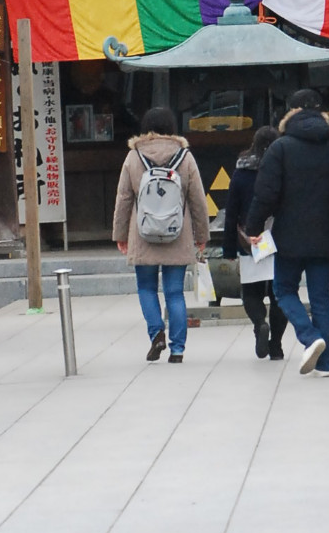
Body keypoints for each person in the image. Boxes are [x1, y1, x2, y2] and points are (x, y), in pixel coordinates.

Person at [247, 87, 329, 375]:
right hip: (325, 233)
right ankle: (324, 365)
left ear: (291, 114)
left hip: (289, 235)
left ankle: (311, 338)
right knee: (321, 297)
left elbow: (265, 193)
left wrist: (253, 227)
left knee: (284, 290)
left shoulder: (281, 148)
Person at [112, 106, 210, 363]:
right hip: (177, 234)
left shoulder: (134, 157)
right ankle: (178, 349)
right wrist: (202, 234)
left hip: (143, 234)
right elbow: (197, 199)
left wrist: (120, 234)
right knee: (174, 293)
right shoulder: (184, 157)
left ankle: (157, 333)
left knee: (146, 288)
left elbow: (123, 198)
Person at [223, 124, 287, 359]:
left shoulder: (241, 172)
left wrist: (229, 247)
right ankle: (277, 346)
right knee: (280, 294)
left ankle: (260, 322)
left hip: (251, 239)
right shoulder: (284, 168)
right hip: (281, 237)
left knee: (251, 292)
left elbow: (231, 212)